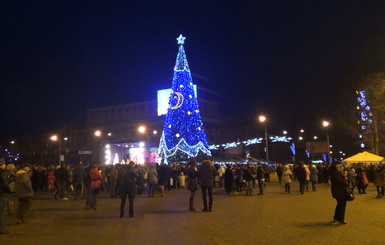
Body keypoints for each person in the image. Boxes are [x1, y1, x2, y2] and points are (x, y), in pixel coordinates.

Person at [0, 160, 11, 234]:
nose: (5, 165)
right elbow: (5, 184)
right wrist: (9, 190)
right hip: (2, 194)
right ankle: (2, 229)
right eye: (4, 164)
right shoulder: (2, 172)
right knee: (2, 212)